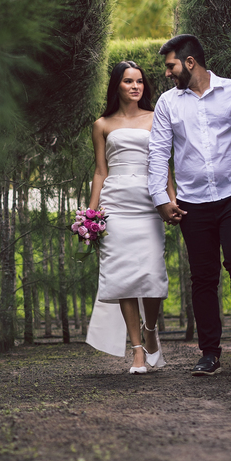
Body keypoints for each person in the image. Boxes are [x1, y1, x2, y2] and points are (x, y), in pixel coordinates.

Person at [148, 34, 231, 376]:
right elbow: (159, 153)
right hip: (192, 202)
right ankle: (210, 352)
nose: (167, 73)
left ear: (190, 62)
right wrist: (161, 198)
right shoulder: (167, 104)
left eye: (170, 65)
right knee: (203, 277)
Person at [85, 60, 175, 374]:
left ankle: (151, 330)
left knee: (151, 274)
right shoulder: (102, 125)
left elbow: (165, 165)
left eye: (139, 81)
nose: (135, 86)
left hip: (148, 204)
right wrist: (91, 215)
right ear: (117, 86)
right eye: (128, 81)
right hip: (116, 205)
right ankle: (137, 351)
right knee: (123, 277)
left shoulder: (156, 118)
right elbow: (100, 171)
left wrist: (171, 200)